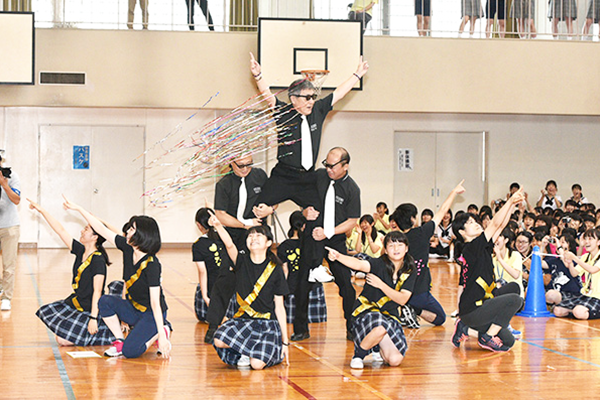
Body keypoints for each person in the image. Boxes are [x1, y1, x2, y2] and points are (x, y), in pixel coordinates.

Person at [63, 197, 171, 359]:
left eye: (132, 229)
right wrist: (79, 209)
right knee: (105, 301)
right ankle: (119, 340)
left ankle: (161, 330)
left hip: (151, 314)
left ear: (143, 234)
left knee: (131, 352)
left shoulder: (152, 265)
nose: (127, 232)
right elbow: (102, 229)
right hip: (134, 309)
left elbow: (155, 303)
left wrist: (162, 339)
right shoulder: (127, 248)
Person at [292, 147, 361, 342]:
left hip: (335, 241)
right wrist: (304, 211)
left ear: (345, 166)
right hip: (312, 239)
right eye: (326, 164)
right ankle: (301, 329)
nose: (328, 169)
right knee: (302, 284)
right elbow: (300, 195)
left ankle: (351, 326)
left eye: (333, 166)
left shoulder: (352, 189)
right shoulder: (319, 177)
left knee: (346, 286)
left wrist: (329, 232)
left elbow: (352, 220)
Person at [29, 199, 114, 346]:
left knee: (62, 339)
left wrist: (93, 318)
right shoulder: (80, 250)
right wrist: (41, 210)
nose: (82, 230)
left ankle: (105, 330)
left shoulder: (98, 260)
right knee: (48, 314)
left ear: (95, 237)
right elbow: (60, 230)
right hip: (76, 302)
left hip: (91, 309)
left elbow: (97, 291)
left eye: (86, 229)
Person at [210, 214, 289, 370]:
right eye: (250, 235)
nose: (253, 238)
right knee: (218, 339)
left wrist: (285, 341)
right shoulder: (241, 261)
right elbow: (229, 245)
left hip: (267, 324)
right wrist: (218, 226)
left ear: (268, 243)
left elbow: (279, 307)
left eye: (259, 235)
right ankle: (247, 351)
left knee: (257, 365)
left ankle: (268, 351)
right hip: (243, 321)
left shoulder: (276, 270)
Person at [204, 153, 267, 343]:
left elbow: (274, 198)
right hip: (232, 234)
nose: (246, 169)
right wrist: (243, 225)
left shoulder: (260, 176)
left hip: (256, 235)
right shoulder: (224, 184)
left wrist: (269, 209)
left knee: (259, 277)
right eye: (241, 166)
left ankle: (258, 323)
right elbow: (221, 215)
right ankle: (214, 325)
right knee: (226, 278)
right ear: (231, 164)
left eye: (249, 164)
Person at [451, 190, 525, 352]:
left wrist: (512, 205)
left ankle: (466, 329)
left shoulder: (481, 246)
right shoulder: (471, 247)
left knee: (508, 341)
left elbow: (501, 225)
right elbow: (494, 224)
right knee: (515, 300)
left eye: (474, 220)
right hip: (473, 310)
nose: (476, 223)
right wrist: (510, 200)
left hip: (484, 302)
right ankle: (487, 337)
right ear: (462, 233)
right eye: (470, 223)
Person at [327, 231, 412, 369]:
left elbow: (402, 299)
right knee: (379, 325)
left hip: (390, 316)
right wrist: (339, 256)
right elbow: (359, 264)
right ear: (385, 249)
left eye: (400, 245)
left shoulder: (409, 271)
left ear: (406, 248)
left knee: (395, 360)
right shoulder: (378, 264)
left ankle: (376, 347)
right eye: (391, 245)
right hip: (366, 312)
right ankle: (358, 355)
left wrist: (380, 285)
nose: (396, 249)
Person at [390, 180, 465, 328]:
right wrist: (453, 192)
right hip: (419, 291)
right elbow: (442, 211)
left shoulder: (395, 240)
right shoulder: (422, 233)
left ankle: (406, 307)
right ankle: (413, 309)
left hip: (402, 291)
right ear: (412, 219)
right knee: (440, 318)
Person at [278, 211, 327, 325]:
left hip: (292, 289)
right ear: (305, 225)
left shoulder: (284, 246)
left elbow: (285, 270)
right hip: (314, 288)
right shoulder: (313, 243)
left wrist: (282, 292)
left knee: (293, 323)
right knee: (318, 329)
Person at [192, 207, 231, 323]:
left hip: (212, 290)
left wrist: (205, 296)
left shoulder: (198, 245)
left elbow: (203, 272)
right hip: (229, 289)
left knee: (201, 289)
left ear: (199, 225)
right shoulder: (226, 238)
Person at [553, 228, 600, 320]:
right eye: (585, 239)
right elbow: (574, 273)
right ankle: (577, 311)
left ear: (598, 242)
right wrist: (570, 262)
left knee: (579, 312)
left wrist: (575, 258)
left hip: (598, 297)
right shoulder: (585, 257)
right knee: (557, 310)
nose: (586, 242)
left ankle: (579, 311)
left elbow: (593, 269)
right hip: (586, 295)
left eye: (590, 239)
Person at [0, 154, 20, 311]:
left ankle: (6, 297)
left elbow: (16, 199)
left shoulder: (11, 176)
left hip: (9, 227)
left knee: (8, 264)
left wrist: (5, 185)